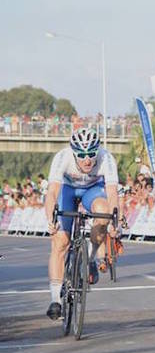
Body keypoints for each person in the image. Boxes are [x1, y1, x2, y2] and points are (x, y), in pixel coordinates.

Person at [44, 128, 120, 320]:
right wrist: (50, 219)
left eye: (91, 154)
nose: (87, 160)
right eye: (82, 155)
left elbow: (112, 194)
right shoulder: (63, 157)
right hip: (67, 191)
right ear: (73, 152)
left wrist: (114, 221)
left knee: (103, 213)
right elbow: (52, 192)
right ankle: (55, 300)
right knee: (60, 241)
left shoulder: (106, 158)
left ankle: (91, 257)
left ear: (98, 150)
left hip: (92, 191)